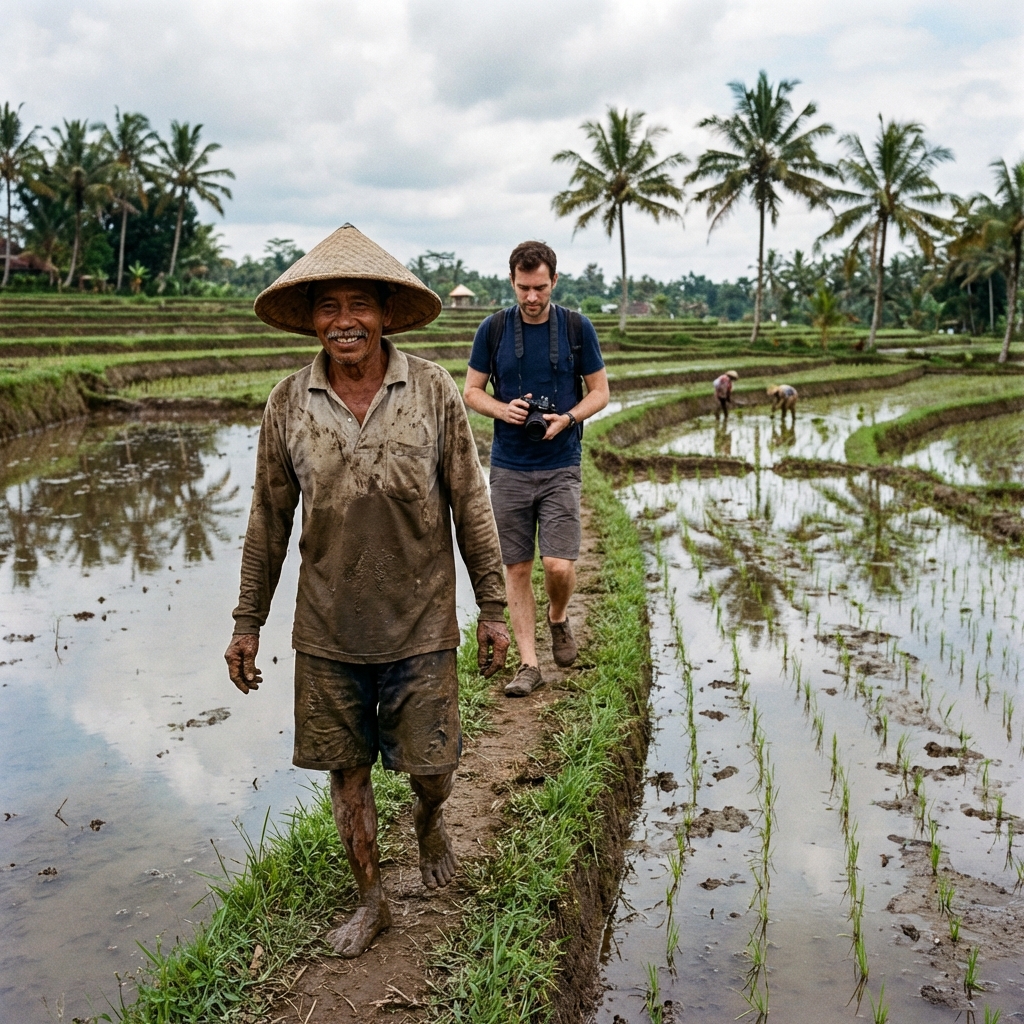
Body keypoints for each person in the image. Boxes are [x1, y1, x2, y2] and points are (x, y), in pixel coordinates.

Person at [224, 224, 510, 959]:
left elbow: (470, 501)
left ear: (384, 312)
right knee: (345, 774)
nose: (343, 320)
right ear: (312, 319)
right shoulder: (288, 402)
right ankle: (372, 900)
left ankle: (430, 819)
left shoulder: (434, 390)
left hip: (419, 622)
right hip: (327, 629)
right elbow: (268, 518)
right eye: (328, 307)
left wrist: (495, 609)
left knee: (433, 770)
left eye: (358, 304)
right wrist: (247, 621)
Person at [463, 241, 609, 697]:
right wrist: (503, 410)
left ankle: (558, 617)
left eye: (540, 287)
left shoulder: (575, 327)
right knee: (518, 567)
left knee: (559, 565)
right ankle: (529, 664)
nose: (532, 297)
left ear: (554, 282)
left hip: (561, 461)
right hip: (509, 465)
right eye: (524, 288)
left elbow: (600, 392)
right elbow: (471, 390)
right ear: (512, 281)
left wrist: (566, 418)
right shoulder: (493, 329)